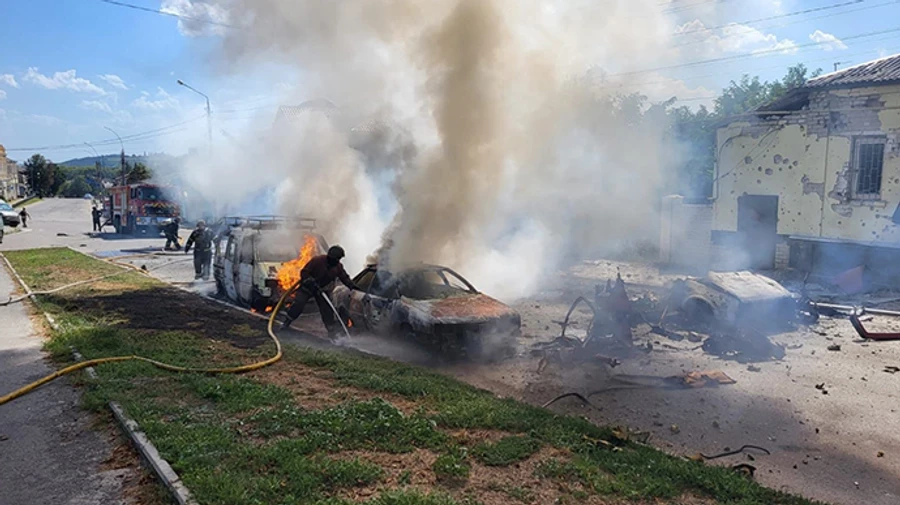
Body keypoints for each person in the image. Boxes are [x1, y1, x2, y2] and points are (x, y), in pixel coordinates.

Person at [282, 245, 360, 338]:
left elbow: (344, 277)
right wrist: (309, 280)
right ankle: (287, 322)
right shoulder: (317, 261)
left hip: (321, 290)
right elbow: (304, 272)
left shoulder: (338, 267)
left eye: (339, 259)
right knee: (299, 304)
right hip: (307, 288)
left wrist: (352, 286)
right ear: (330, 257)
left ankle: (331, 332)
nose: (337, 261)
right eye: (336, 259)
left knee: (327, 310)